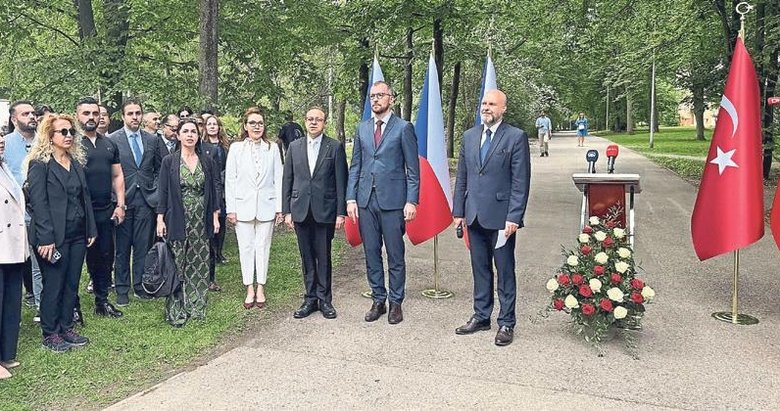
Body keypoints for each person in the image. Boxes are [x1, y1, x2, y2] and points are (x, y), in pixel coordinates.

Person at [452, 89, 531, 347]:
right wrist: (458, 212)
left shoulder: (515, 137)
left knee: (505, 271)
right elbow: (462, 177)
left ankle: (506, 322)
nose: (486, 107)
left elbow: (520, 182)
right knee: (480, 269)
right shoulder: (469, 136)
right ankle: (481, 315)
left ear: (503, 108)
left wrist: (514, 217)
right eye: (484, 103)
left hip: (501, 219)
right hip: (474, 216)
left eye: (492, 104)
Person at [346, 81, 419, 325]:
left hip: (393, 201)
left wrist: (411, 200)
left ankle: (396, 302)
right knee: (371, 252)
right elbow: (355, 165)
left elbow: (412, 169)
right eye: (372, 96)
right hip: (366, 200)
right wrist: (351, 198)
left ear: (392, 99)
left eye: (380, 95)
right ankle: (379, 298)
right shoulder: (362, 128)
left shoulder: (403, 128)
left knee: (395, 254)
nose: (375, 100)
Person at [25, 113, 97, 352]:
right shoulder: (39, 165)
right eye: (63, 132)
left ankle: (66, 326)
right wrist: (46, 238)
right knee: (53, 284)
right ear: (49, 135)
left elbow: (85, 197)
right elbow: (38, 204)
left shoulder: (75, 162)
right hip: (51, 237)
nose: (68, 136)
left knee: (71, 283)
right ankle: (50, 332)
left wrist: (91, 228)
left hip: (77, 233)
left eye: (71, 132)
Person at [283, 107, 347, 320]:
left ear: (324, 123)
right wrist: (287, 211)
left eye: (318, 120)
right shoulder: (294, 147)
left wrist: (340, 213)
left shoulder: (335, 147)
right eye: (310, 119)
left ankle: (325, 299)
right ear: (305, 121)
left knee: (323, 256)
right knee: (307, 256)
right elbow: (288, 180)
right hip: (300, 210)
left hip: (325, 211)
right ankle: (310, 298)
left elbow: (341, 182)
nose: (313, 123)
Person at [156, 118, 220, 327]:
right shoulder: (169, 161)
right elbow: (163, 191)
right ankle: (176, 308)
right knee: (177, 262)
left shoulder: (207, 161)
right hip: (177, 217)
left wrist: (215, 216)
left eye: (193, 131)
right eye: (186, 131)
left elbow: (213, 190)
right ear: (179, 135)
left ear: (198, 135)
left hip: (201, 217)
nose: (190, 135)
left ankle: (196, 305)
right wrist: (160, 218)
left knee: (199, 262)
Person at [225, 107, 283, 310]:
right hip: (242, 206)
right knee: (246, 247)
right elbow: (230, 180)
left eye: (260, 123)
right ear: (245, 126)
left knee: (263, 247)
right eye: (252, 123)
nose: (256, 126)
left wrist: (279, 208)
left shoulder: (273, 148)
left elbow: (279, 178)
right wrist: (230, 209)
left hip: (267, 205)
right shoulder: (236, 148)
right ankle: (249, 286)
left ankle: (261, 287)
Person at [109, 99, 162, 306]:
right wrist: (116, 200)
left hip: (146, 200)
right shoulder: (113, 140)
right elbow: (110, 173)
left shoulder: (152, 140)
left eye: (138, 113)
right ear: (123, 116)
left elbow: (160, 169)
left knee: (142, 246)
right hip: (123, 200)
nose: (134, 117)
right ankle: (122, 288)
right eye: (130, 113)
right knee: (122, 248)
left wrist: (156, 192)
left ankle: (139, 285)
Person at [77, 97, 126, 318]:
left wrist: (121, 205)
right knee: (76, 261)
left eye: (95, 114)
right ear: (78, 115)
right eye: (86, 113)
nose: (91, 118)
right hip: (78, 214)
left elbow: (117, 176)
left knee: (105, 256)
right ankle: (72, 306)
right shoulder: (72, 144)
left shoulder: (109, 144)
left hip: (105, 210)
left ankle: (102, 300)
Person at [4, 101, 42, 319]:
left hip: (40, 212)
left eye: (33, 113)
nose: (31, 117)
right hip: (13, 214)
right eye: (25, 113)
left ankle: (41, 306)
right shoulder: (5, 144)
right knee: (15, 264)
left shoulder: (45, 141)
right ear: (14, 119)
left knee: (40, 262)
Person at [0, 132, 28, 377]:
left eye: (0, 137)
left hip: (12, 245)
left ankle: (6, 354)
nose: (0, 142)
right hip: (1, 244)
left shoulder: (5, 168)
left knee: (10, 301)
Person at [201, 114, 229, 291]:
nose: (212, 127)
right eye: (208, 124)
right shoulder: (201, 147)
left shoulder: (225, 146)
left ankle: (218, 254)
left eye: (215, 124)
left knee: (220, 224)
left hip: (222, 187)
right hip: (205, 192)